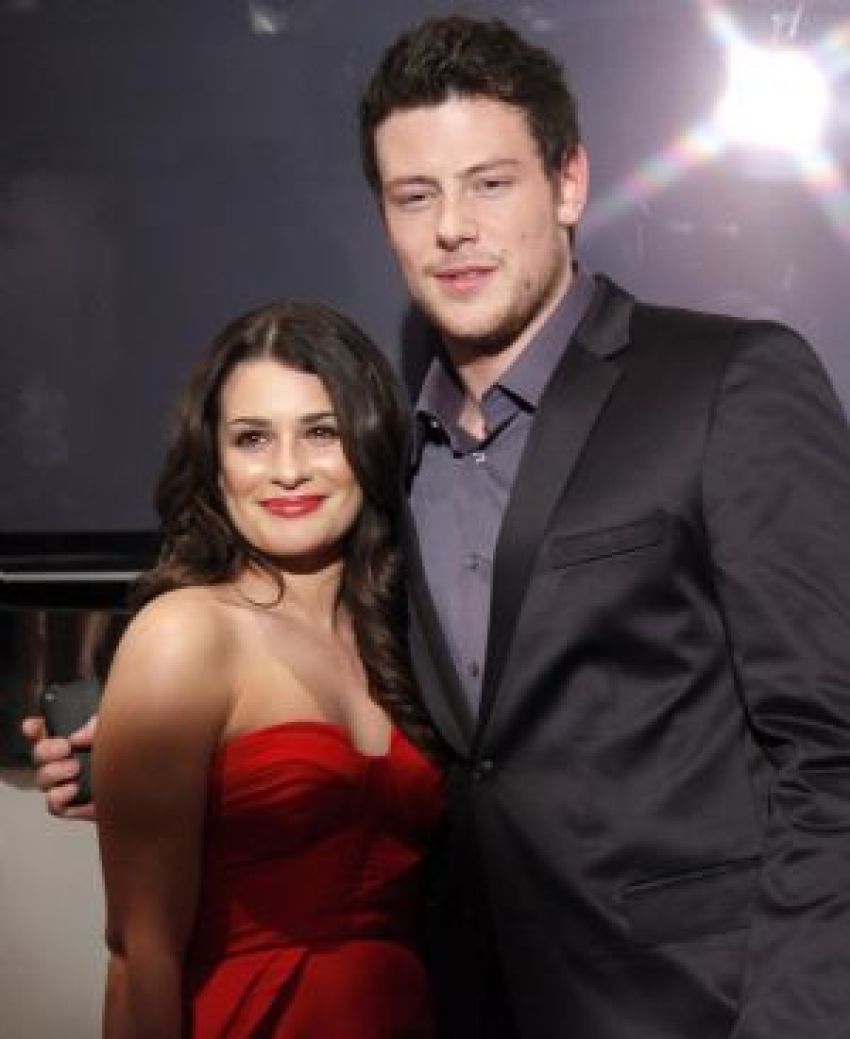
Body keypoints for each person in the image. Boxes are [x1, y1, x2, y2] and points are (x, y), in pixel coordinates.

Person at [27, 14, 850, 1039]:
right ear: (384, 216)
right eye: (415, 194)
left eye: (489, 183)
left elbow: (829, 751)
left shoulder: (726, 382)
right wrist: (166, 763)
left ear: (568, 183)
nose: (451, 226)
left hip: (695, 1008)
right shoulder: (378, 469)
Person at [75, 299, 443, 1037]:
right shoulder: (185, 633)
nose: (286, 470)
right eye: (251, 438)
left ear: (368, 444)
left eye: (320, 432)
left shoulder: (407, 636)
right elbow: (140, 954)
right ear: (214, 462)